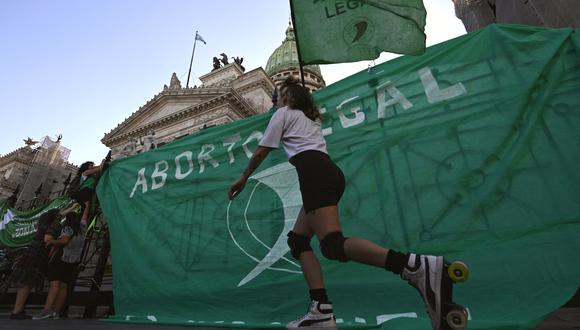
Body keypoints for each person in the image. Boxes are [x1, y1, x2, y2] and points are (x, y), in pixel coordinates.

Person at [228, 77, 469, 330]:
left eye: (277, 95)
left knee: (332, 244)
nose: (274, 100)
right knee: (298, 241)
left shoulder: (283, 114)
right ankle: (320, 309)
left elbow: (261, 151)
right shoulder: (310, 119)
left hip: (314, 172)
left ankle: (414, 266)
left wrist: (243, 178)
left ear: (287, 97)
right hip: (327, 172)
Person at [7, 202, 79, 320]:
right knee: (27, 283)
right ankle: (16, 311)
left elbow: (58, 215)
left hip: (32, 252)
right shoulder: (53, 226)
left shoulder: (43, 224)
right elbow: (48, 239)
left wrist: (71, 208)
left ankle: (17, 310)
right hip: (38, 254)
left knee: (25, 283)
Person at [33, 210, 86, 320]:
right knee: (64, 286)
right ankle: (56, 312)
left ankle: (47, 310)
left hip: (61, 258)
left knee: (55, 284)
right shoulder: (82, 228)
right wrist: (86, 205)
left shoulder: (67, 228)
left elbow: (64, 241)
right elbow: (84, 217)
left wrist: (52, 241)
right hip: (73, 260)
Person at [75, 160, 105, 225]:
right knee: (87, 204)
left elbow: (98, 167)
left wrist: (101, 164)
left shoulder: (91, 174)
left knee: (87, 206)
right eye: (91, 165)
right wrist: (103, 162)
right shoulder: (85, 172)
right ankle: (83, 220)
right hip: (85, 191)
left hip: (90, 191)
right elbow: (99, 168)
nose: (92, 166)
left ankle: (83, 219)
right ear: (87, 166)